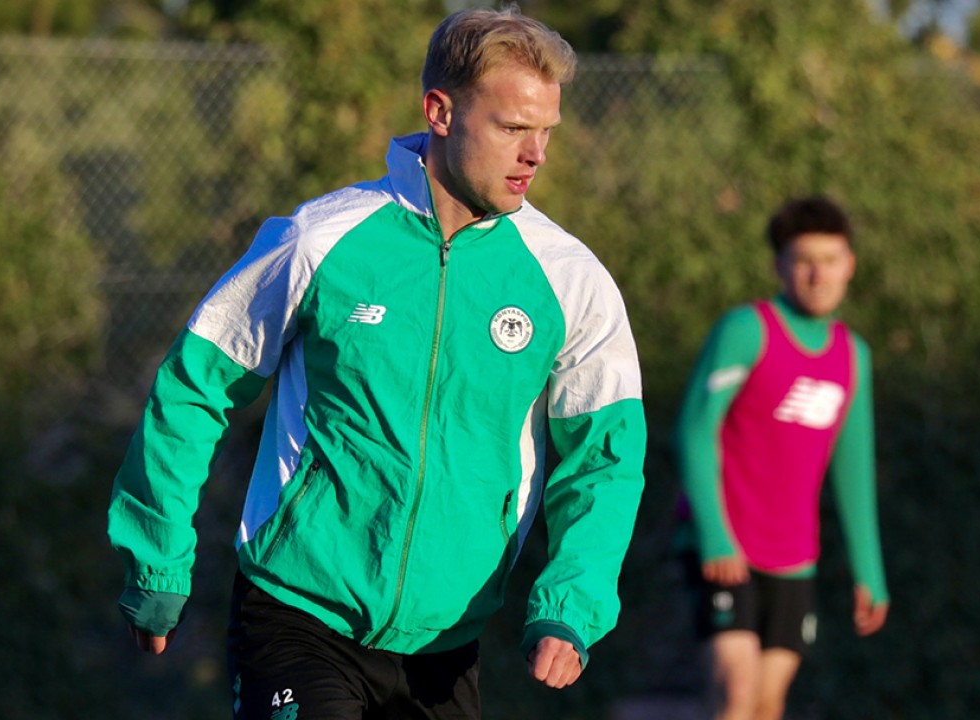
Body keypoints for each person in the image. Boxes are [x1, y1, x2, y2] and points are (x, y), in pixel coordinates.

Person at [107, 6, 647, 718]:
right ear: (440, 112)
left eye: (547, 130)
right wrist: (158, 558)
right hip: (298, 613)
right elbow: (194, 387)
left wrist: (570, 604)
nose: (536, 154)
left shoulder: (570, 281)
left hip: (447, 643)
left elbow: (605, 460)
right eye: (513, 127)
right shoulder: (321, 239)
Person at [673, 195, 889, 720]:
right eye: (804, 261)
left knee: (768, 706)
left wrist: (869, 570)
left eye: (830, 260)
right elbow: (696, 430)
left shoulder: (852, 355)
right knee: (736, 694)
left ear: (850, 265)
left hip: (794, 559)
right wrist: (715, 536)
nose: (818, 275)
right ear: (779, 266)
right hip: (726, 551)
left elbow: (853, 467)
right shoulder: (747, 330)